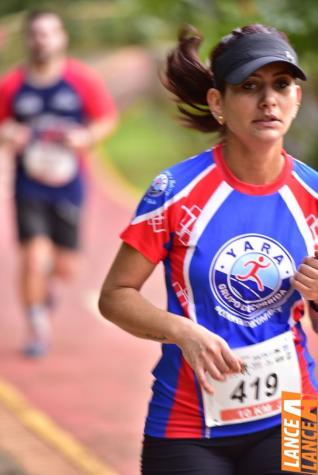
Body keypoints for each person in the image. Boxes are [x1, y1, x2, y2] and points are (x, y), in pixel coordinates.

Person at [98, 23, 318, 475]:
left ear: (296, 98)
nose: (268, 100)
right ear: (218, 103)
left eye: (282, 85)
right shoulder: (176, 192)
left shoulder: (313, 194)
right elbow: (115, 295)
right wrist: (184, 332)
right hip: (189, 426)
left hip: (298, 411)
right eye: (249, 87)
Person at [0, 9, 118, 357]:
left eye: (49, 33)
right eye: (36, 34)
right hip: (29, 183)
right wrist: (9, 132)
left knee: (66, 268)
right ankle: (37, 327)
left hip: (69, 184)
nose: (42, 40)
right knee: (33, 257)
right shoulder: (13, 85)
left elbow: (105, 119)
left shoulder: (81, 80)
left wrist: (87, 137)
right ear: (28, 39)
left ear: (62, 37)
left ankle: (45, 285)